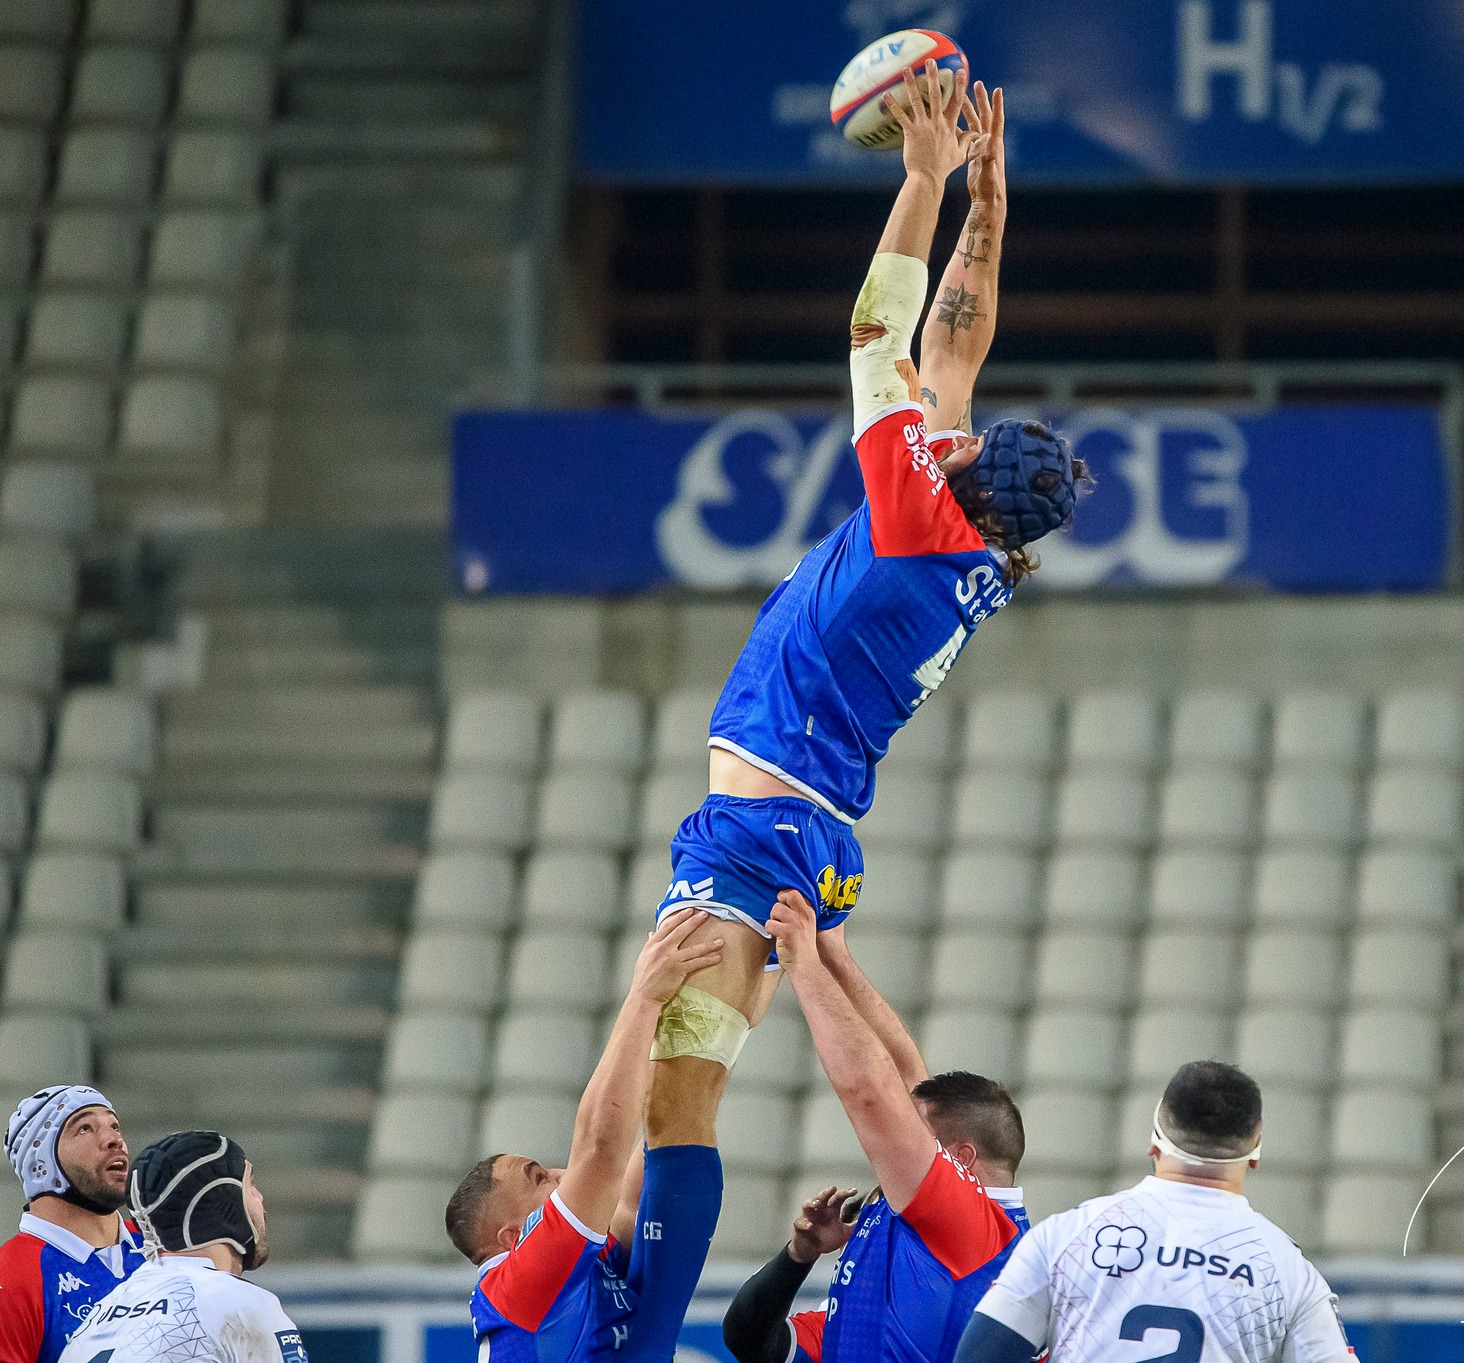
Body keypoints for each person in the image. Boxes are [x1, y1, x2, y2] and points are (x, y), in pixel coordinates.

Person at [642, 64, 1083, 1147]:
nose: (962, 424)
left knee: (672, 1097)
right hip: (795, 820)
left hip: (765, 825)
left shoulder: (915, 519)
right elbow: (954, 341)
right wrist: (989, 209)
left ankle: (642, 1293)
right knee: (678, 1085)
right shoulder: (966, 529)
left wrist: (924, 181)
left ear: (967, 484)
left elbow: (875, 338)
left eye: (973, 440)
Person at [718, 888, 1028, 1363]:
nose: (897, 1142)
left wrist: (804, 965)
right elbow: (749, 1341)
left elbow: (873, 1095)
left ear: (963, 1160)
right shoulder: (915, 1241)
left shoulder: (981, 1232)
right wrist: (833, 952)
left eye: (916, 1136)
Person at [442, 910, 727, 1363]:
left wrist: (722, 1022)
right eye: (538, 1178)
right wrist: (645, 996)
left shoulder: (583, 1272)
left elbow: (656, 1148)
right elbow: (599, 1152)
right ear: (513, 1240)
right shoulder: (518, 1288)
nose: (561, 1174)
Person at [957, 1061, 1354, 1363]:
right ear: (1255, 1152)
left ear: (1154, 1142)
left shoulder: (1067, 1234)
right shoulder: (1288, 1271)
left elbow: (980, 1356)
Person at [57, 1131, 301, 1363]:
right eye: (249, 1186)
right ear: (225, 1202)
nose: (259, 1197)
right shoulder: (243, 1305)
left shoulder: (99, 1315)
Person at [1, 1088, 144, 1363]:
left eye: (114, 1126)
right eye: (85, 1129)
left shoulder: (163, 1245)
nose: (115, 1140)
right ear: (41, 1164)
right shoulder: (12, 1278)